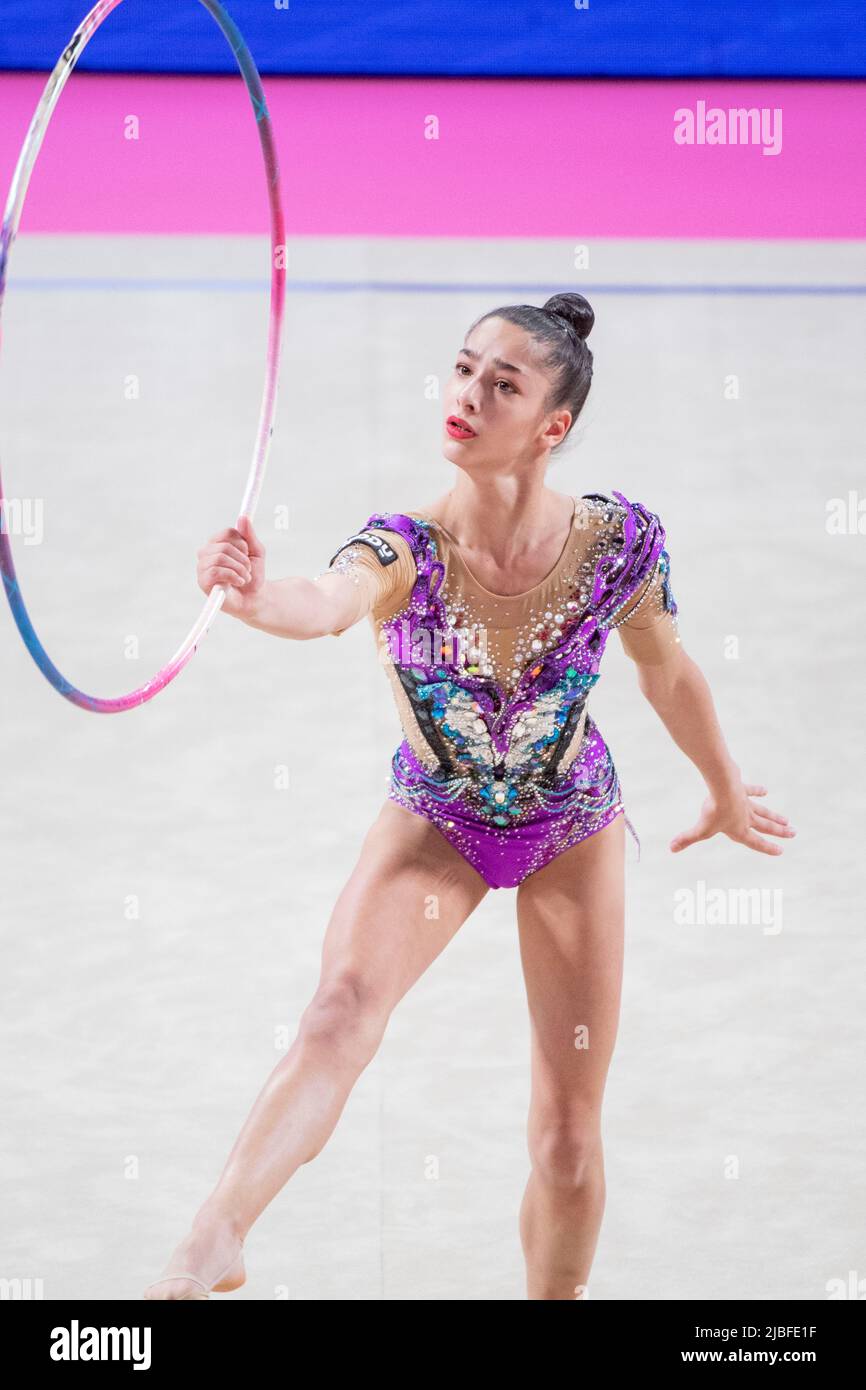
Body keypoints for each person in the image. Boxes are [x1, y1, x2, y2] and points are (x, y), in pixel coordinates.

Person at [143, 292, 795, 1301]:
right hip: (436, 822)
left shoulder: (617, 544)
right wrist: (248, 594)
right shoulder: (403, 548)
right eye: (460, 370)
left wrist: (719, 790)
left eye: (501, 385)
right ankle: (210, 1240)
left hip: (567, 823)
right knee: (336, 1015)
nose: (465, 396)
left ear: (552, 427)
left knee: (567, 1140)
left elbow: (667, 672)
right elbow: (322, 605)